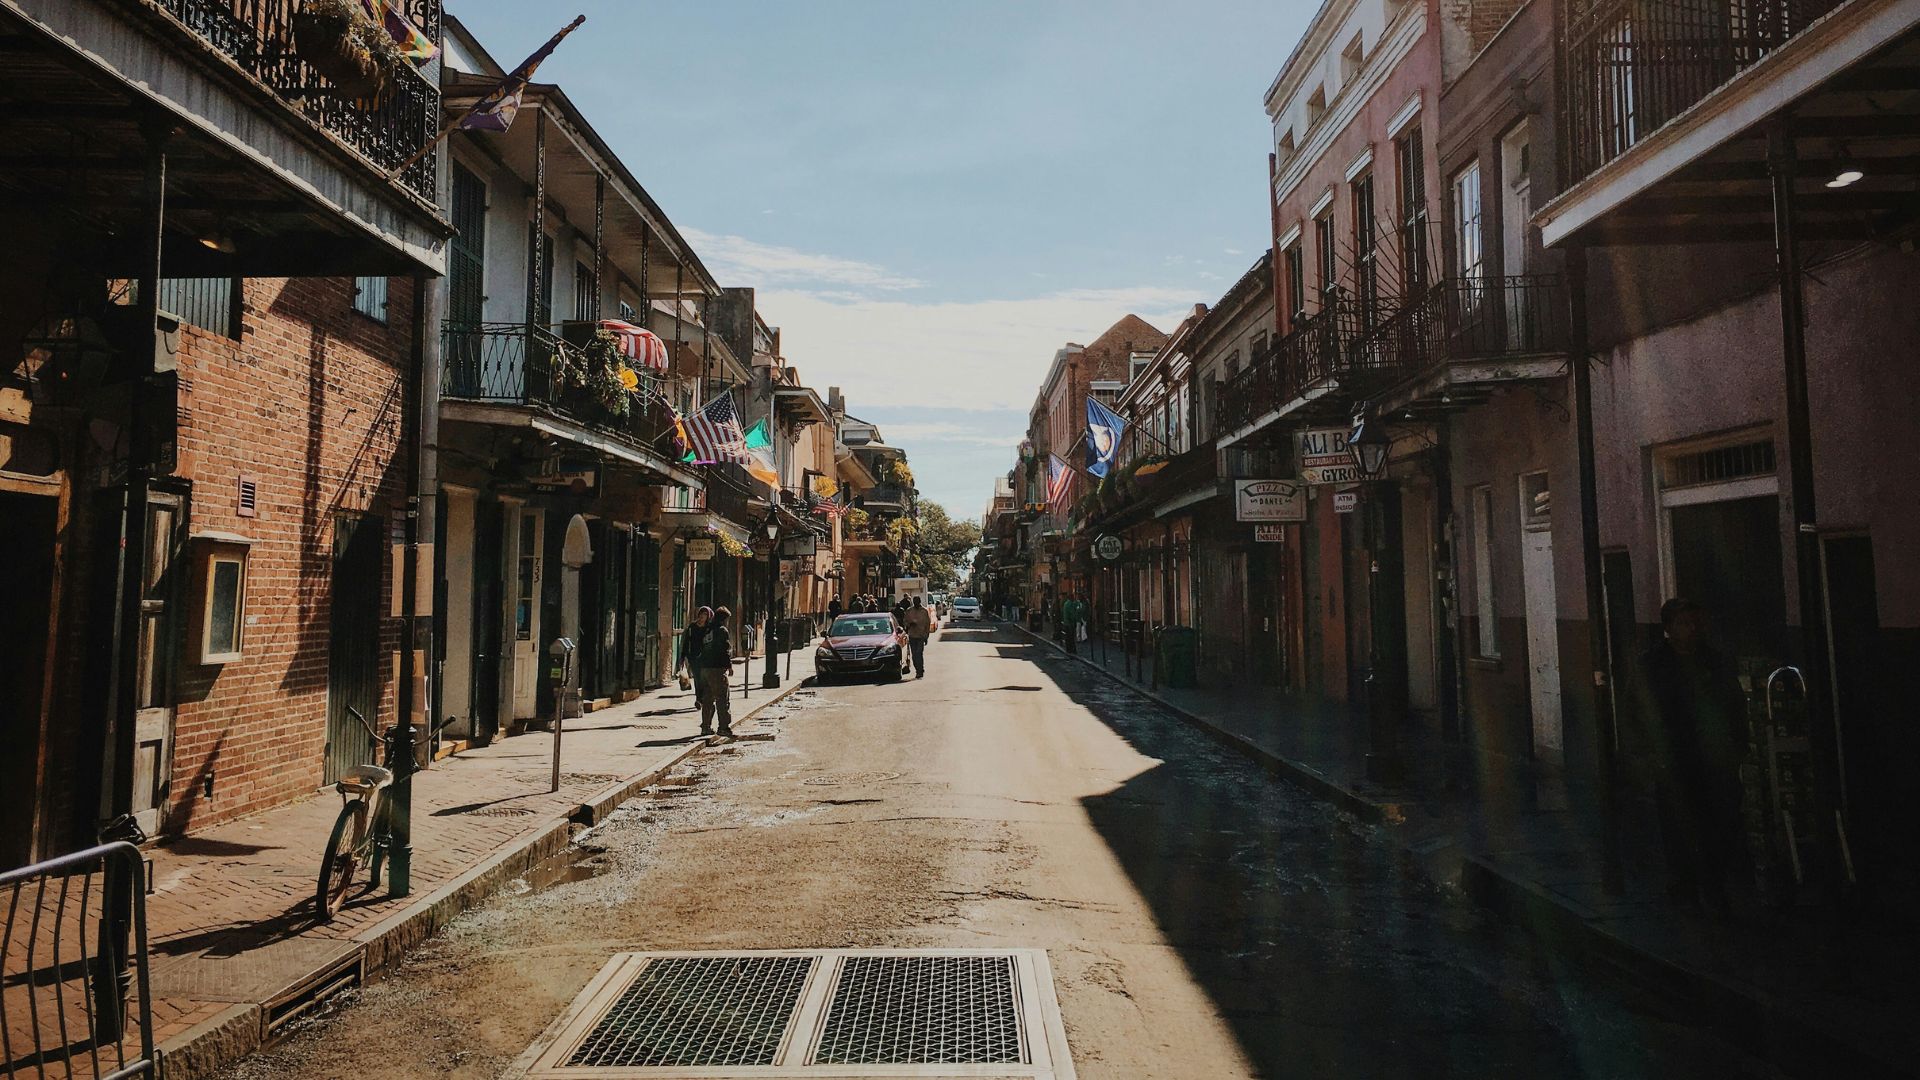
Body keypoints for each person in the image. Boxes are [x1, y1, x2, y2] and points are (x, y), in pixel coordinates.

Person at [1633, 598, 1750, 917]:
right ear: (1669, 628)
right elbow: (1638, 711)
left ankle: (1712, 884)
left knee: (1721, 821)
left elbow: (1734, 704)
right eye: (1684, 624)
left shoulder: (1715, 661)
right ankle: (1685, 886)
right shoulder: (1652, 665)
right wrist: (1647, 752)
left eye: (1695, 623)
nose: (1692, 629)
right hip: (1673, 756)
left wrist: (1739, 745)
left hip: (1713, 756)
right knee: (1677, 825)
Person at [696, 606, 736, 736]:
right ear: (724, 619)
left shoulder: (707, 629)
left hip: (704, 669)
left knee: (707, 699)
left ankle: (705, 727)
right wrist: (729, 666)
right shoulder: (722, 630)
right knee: (722, 698)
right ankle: (723, 727)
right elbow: (724, 650)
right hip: (717, 669)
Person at [678, 606, 712, 695]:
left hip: (706, 657)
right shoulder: (692, 627)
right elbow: (686, 642)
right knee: (697, 678)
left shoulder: (709, 628)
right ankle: (699, 698)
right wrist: (682, 656)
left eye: (705, 614)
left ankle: (704, 698)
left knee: (704, 679)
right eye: (701, 614)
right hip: (694, 657)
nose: (702, 616)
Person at [902, 595, 934, 679]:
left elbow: (927, 624)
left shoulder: (924, 611)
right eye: (915, 601)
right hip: (912, 635)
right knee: (914, 655)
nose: (916, 603)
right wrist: (909, 624)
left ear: (919, 602)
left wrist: (926, 636)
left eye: (917, 601)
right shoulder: (909, 611)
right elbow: (905, 621)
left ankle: (920, 671)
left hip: (921, 636)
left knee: (919, 654)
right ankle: (918, 669)